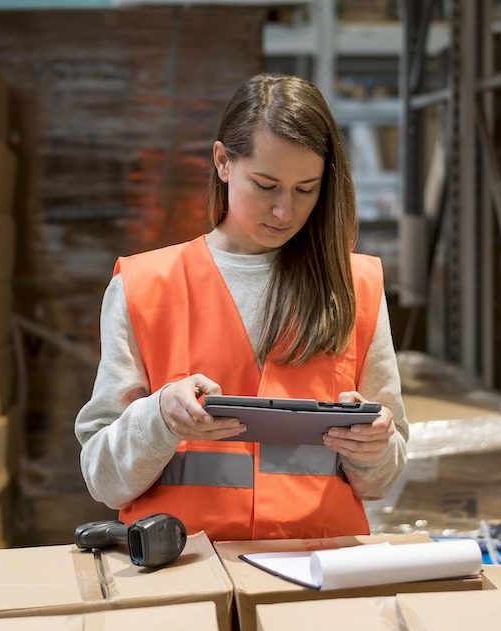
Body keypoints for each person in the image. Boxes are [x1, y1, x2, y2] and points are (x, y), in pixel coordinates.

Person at [76, 73, 408, 541]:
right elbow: (103, 479)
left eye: (305, 189)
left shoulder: (356, 287)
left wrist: (372, 447)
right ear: (222, 162)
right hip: (185, 579)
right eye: (266, 185)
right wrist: (160, 420)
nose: (284, 212)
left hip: (317, 583)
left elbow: (382, 479)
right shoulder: (144, 286)